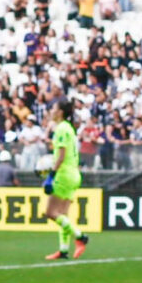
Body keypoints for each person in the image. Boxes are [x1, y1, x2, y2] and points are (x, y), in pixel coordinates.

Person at [43, 99, 89, 260]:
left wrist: (51, 176)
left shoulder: (61, 128)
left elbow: (61, 156)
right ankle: (63, 250)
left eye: (54, 108)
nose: (51, 111)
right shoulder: (69, 128)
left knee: (50, 212)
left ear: (60, 112)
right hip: (74, 173)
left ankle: (80, 236)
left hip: (64, 174)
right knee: (63, 214)